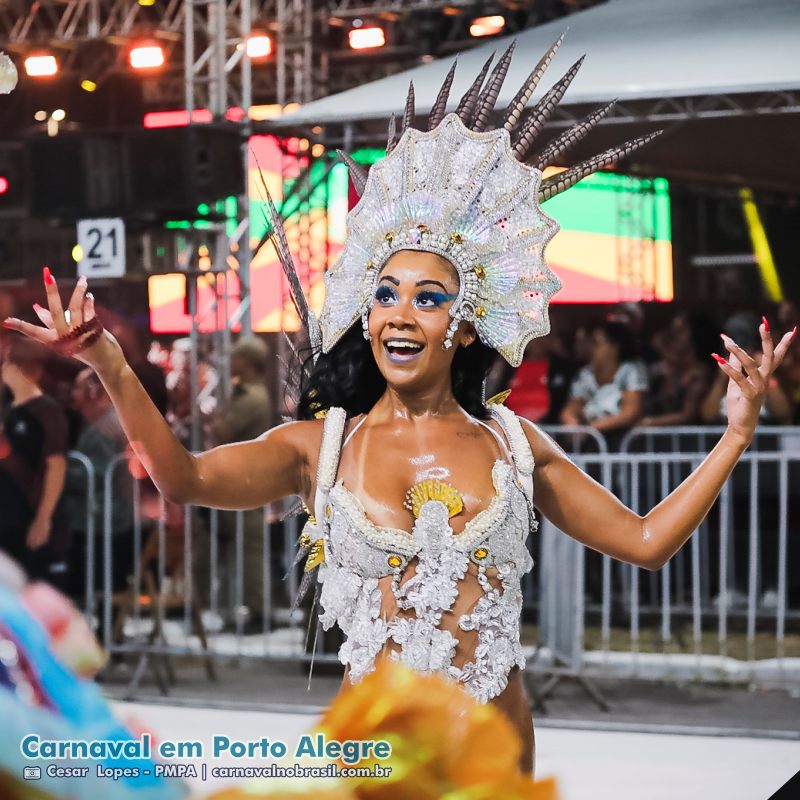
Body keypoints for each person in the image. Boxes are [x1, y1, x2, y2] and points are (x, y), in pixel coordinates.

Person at [3, 43, 796, 780]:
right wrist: (106, 358)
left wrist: (734, 433)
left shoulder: (516, 445)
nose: (398, 316)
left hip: (498, 766)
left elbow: (647, 542)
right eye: (384, 295)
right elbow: (181, 478)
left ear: (465, 323)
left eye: (427, 298)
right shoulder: (318, 446)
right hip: (376, 771)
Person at [203, 337, 273, 627]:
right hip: (239, 482)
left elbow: (223, 430)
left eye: (236, 357)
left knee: (250, 549)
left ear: (246, 362)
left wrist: (211, 413)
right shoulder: (244, 393)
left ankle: (257, 611)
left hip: (247, 483)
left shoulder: (252, 397)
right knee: (239, 547)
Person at [0, 337, 70, 590]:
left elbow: (56, 465)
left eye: (8, 364)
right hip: (8, 518)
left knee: (37, 590)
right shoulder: (9, 408)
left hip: (32, 517)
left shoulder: (46, 410)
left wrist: (44, 518)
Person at [65, 368, 135, 604]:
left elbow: (94, 473)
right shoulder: (104, 422)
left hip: (105, 520)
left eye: (78, 387)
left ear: (94, 392)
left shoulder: (104, 427)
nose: (73, 394)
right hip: (108, 517)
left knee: (100, 580)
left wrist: (56, 471)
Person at [560, 318, 648, 448]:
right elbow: (573, 406)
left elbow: (630, 412)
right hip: (589, 442)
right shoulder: (585, 375)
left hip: (622, 442)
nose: (591, 348)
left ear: (615, 346)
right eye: (590, 343)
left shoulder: (630, 371)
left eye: (596, 343)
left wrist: (591, 429)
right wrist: (572, 423)